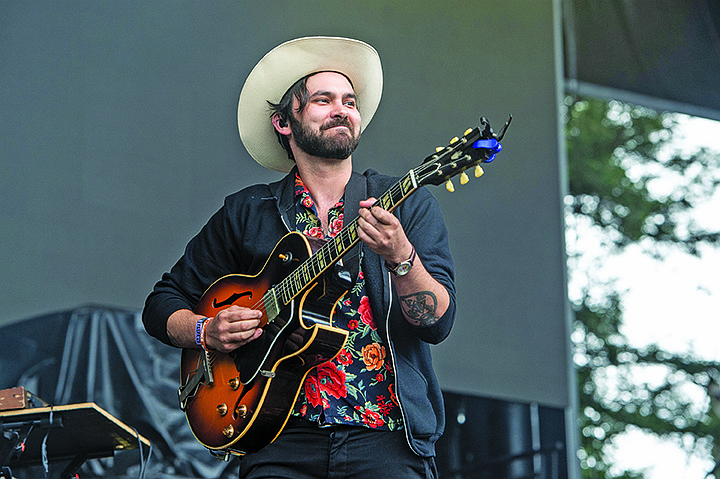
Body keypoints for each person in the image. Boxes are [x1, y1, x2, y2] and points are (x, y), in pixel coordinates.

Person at [143, 36, 466, 478]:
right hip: (276, 440)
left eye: (350, 101)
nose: (343, 109)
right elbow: (162, 303)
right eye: (323, 99)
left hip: (385, 441)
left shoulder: (405, 205)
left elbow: (437, 322)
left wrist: (401, 257)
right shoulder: (247, 212)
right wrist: (207, 329)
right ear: (283, 122)